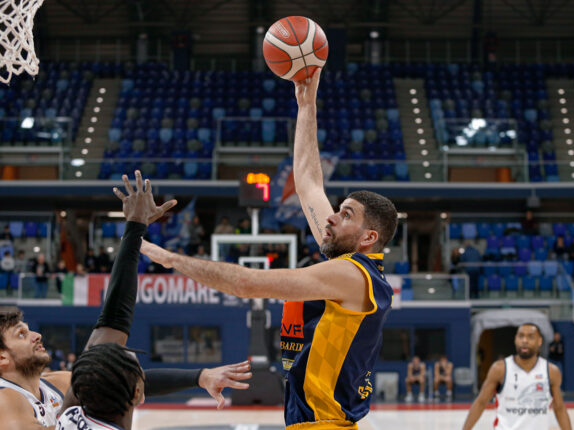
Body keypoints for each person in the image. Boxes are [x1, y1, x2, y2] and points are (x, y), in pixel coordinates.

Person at [141, 69, 399, 430]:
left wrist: (170, 259)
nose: (331, 217)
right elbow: (308, 183)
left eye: (345, 215)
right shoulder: (352, 267)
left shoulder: (351, 274)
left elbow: (246, 284)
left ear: (369, 237)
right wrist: (306, 105)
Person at [0, 172, 250, 430]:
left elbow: (118, 378)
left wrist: (200, 377)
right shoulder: (4, 399)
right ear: (1, 358)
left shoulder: (57, 383)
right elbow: (109, 338)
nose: (36, 335)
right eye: (21, 334)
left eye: (28, 330)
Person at [462, 323, 571, 430]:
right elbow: (481, 402)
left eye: (530, 337)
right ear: (515, 340)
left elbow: (559, 408)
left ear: (539, 341)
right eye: (521, 336)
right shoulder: (500, 369)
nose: (524, 340)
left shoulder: (551, 371)